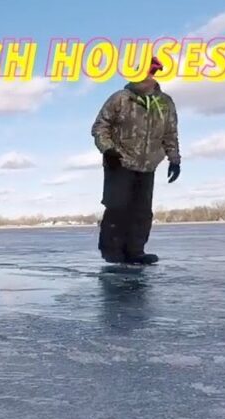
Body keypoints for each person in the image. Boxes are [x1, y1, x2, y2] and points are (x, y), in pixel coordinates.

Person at [91, 56, 181, 265]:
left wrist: (174, 160)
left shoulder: (165, 103)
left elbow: (170, 134)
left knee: (141, 211)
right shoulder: (120, 98)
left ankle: (135, 251)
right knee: (118, 206)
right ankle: (112, 253)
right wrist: (109, 151)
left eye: (151, 72)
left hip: (148, 165)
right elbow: (100, 127)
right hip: (120, 161)